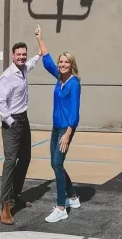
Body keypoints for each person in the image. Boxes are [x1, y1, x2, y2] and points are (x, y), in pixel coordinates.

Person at [35, 24, 82, 223]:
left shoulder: (73, 83)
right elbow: (46, 60)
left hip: (65, 129)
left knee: (56, 163)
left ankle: (61, 207)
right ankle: (73, 197)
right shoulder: (59, 78)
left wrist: (68, 133)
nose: (62, 65)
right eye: (61, 62)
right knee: (57, 164)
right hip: (56, 128)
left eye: (66, 62)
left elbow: (75, 111)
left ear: (72, 65)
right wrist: (39, 37)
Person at [0, 40, 42, 226]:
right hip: (12, 122)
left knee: (25, 158)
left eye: (24, 54)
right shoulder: (7, 76)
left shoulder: (23, 69)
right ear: (13, 56)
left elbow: (31, 63)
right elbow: (0, 102)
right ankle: (5, 206)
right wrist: (11, 122)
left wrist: (40, 52)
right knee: (10, 161)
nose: (22, 57)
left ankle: (15, 195)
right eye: (19, 55)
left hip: (24, 119)